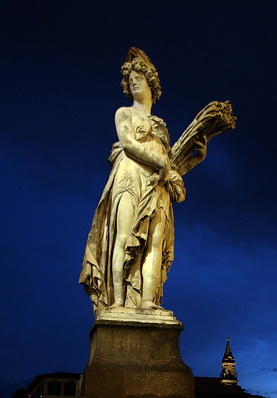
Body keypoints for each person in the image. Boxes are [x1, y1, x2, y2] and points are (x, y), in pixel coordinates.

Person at [79, 47, 206, 314]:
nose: (133, 81)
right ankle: (118, 304)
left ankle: (148, 302)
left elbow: (170, 167)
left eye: (139, 76)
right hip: (129, 177)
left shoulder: (160, 125)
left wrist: (195, 160)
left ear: (151, 83)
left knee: (154, 244)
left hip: (157, 185)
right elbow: (127, 144)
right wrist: (159, 162)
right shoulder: (124, 113)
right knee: (124, 238)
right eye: (130, 78)